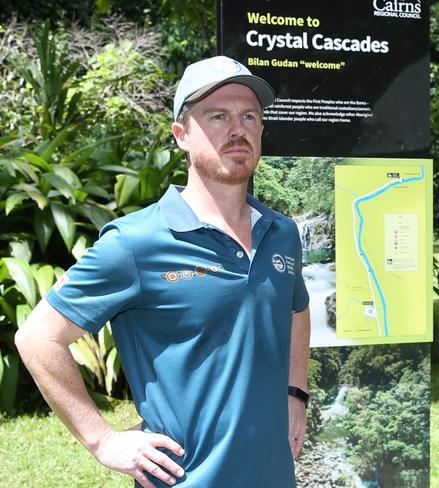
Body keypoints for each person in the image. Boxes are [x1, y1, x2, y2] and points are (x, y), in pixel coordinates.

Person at [15, 56, 311, 488]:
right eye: (217, 116)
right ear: (181, 136)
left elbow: (296, 310)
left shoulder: (281, 233)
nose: (238, 128)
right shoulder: (135, 244)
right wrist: (102, 440)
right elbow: (38, 338)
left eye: (249, 116)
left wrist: (295, 393)